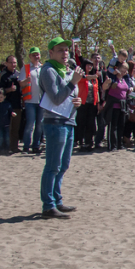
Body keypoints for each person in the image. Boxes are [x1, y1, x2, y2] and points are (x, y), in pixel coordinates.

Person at [39, 36, 83, 219]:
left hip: (68, 121)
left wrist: (78, 101)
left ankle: (57, 200)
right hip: (55, 122)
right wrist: (73, 82)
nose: (65, 53)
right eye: (60, 50)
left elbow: (70, 97)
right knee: (53, 166)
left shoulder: (67, 70)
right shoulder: (48, 71)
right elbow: (56, 98)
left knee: (63, 165)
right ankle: (48, 206)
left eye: (66, 49)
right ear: (50, 53)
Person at [19, 47, 44, 153]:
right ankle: (26, 146)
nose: (36, 57)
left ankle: (36, 145)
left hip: (42, 101)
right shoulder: (26, 68)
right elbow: (20, 83)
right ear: (30, 56)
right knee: (30, 124)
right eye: (34, 55)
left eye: (37, 54)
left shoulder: (43, 68)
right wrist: (26, 80)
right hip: (30, 101)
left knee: (39, 125)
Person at [0, 54, 22, 153]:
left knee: (16, 127)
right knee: (7, 127)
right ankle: (5, 147)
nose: (13, 64)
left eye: (14, 62)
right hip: (5, 105)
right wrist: (9, 90)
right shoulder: (2, 75)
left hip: (17, 104)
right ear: (6, 63)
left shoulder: (19, 74)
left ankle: (14, 147)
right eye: (11, 62)